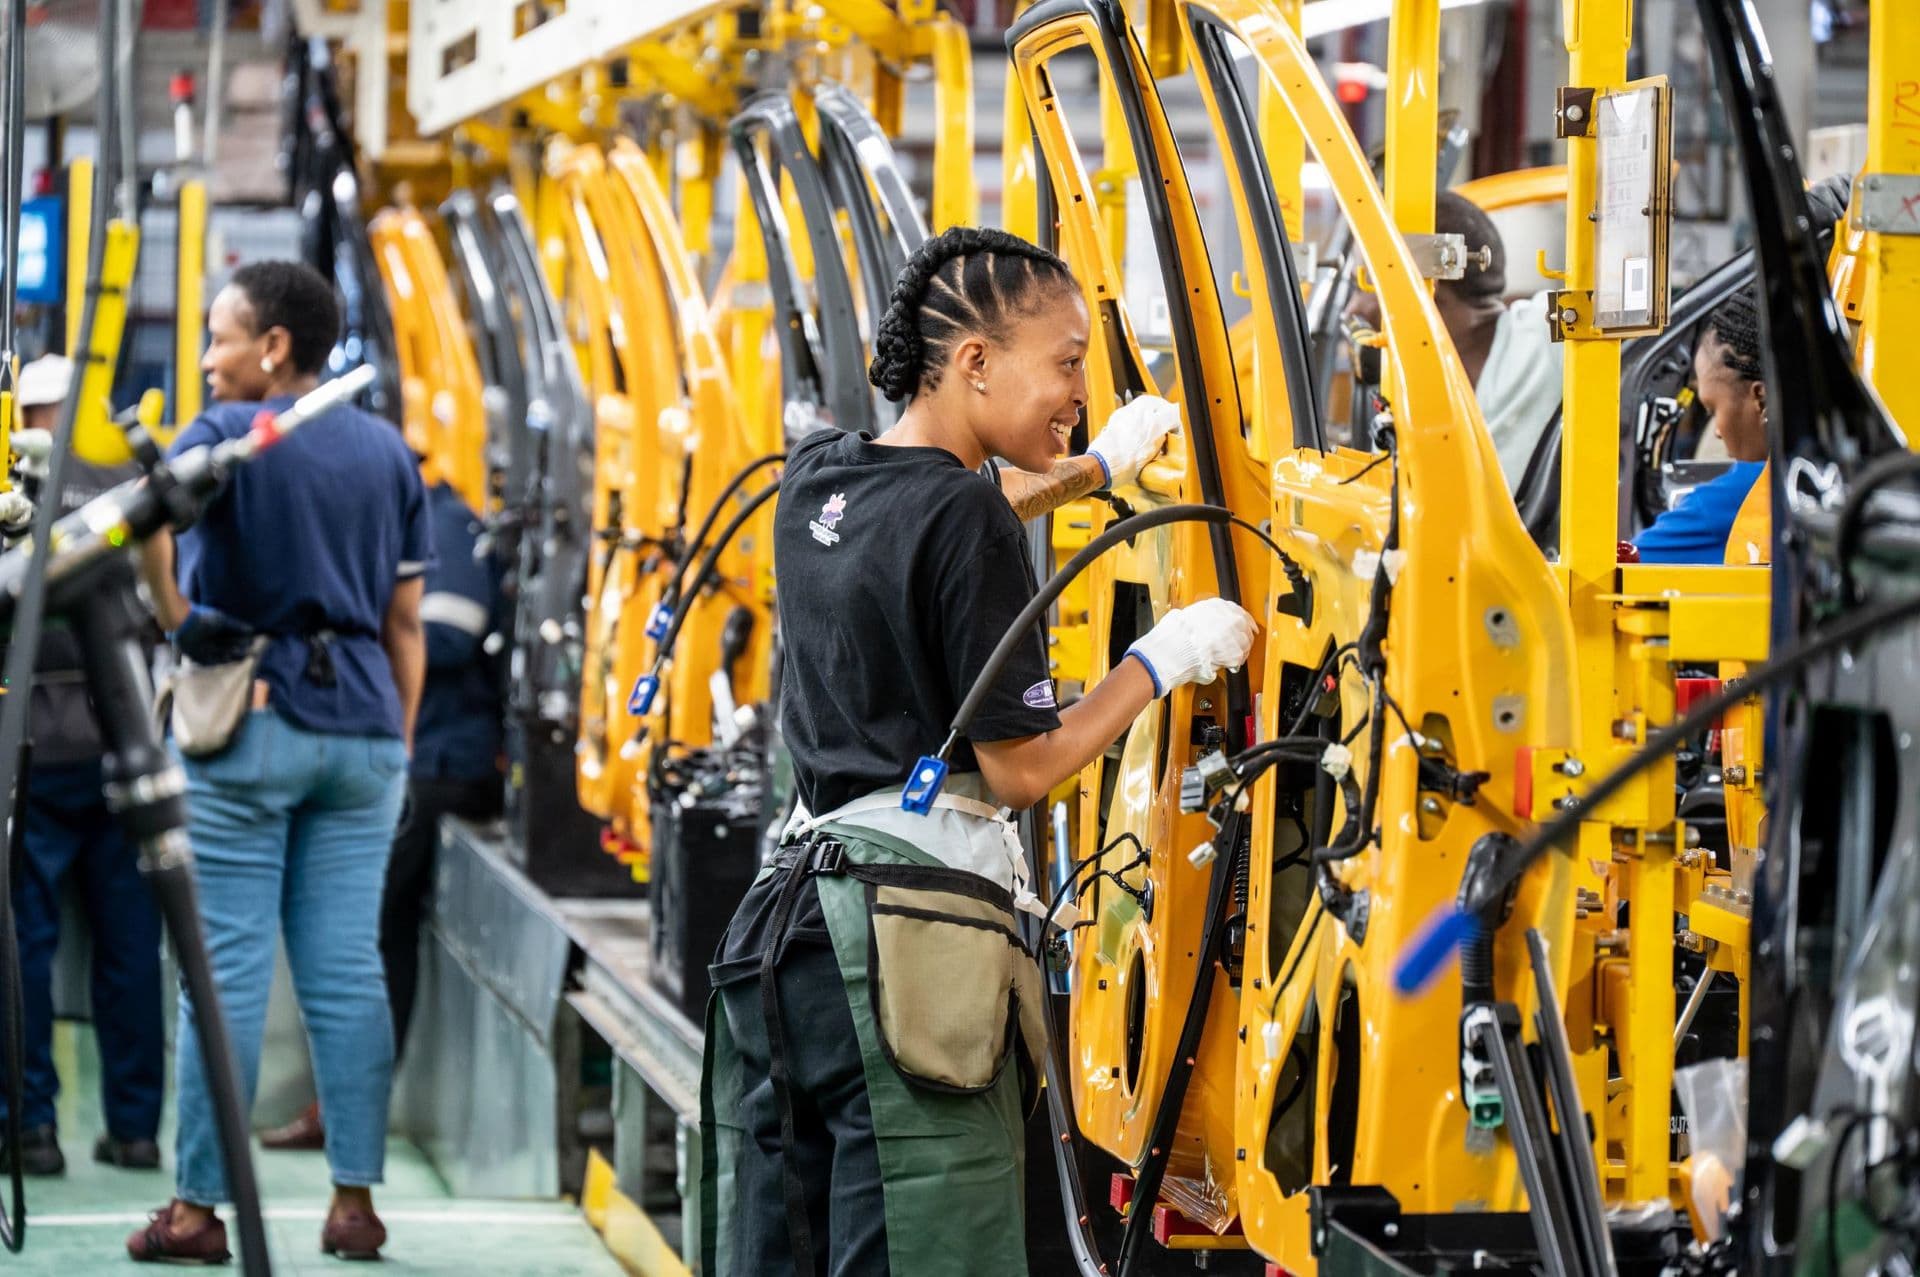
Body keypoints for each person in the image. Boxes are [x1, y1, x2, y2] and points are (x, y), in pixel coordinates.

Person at [698, 226, 1257, 1275]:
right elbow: (1023, 767)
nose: (1080, 389)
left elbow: (938, 513)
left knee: (782, 1245)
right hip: (904, 953)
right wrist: (1159, 659)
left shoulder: (818, 473)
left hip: (787, 935)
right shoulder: (964, 520)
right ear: (976, 361)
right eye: (1068, 362)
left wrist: (1095, 470)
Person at [127, 260, 430, 1264]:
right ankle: (354, 1202)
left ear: (274, 345)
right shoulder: (389, 453)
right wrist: (396, 741)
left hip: (250, 721)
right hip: (366, 732)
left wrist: (180, 619)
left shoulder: (225, 434)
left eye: (220, 337)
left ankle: (197, 1210)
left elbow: (146, 524)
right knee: (346, 970)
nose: (207, 358)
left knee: (223, 971)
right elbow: (405, 623)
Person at [260, 476, 505, 1152]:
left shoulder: (441, 523)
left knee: (364, 933)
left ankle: (346, 1109)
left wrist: (350, 632)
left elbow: (450, 633)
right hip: (406, 755)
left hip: (440, 762)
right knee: (367, 931)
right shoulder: (395, 524)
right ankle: (344, 1105)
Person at [1, 354, 164, 1177]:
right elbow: (161, 603)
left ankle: (31, 1129)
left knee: (24, 940)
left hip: (30, 747)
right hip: (118, 741)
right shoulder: (121, 489)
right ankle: (134, 1130)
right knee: (130, 942)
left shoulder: (8, 495)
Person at [1351, 191, 1563, 491]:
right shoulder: (1402, 391)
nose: (1352, 309)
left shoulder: (1551, 330)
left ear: (1427, 285)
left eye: (1364, 286)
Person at [1633, 290, 1768, 564]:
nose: (1716, 431)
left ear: (1760, 399)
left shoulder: (1737, 496)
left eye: (1712, 410)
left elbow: (1623, 565)